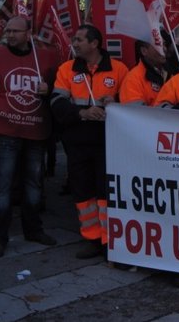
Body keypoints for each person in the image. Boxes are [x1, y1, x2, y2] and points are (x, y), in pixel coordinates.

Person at [0, 16, 60, 258]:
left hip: (34, 128)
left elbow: (61, 90)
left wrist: (50, 90)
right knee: (2, 186)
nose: (10, 35)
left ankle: (33, 229)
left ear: (28, 34)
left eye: (15, 31)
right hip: (4, 130)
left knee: (33, 183)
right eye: (8, 31)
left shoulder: (44, 58)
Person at [51, 24, 129, 259]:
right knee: (83, 191)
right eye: (74, 39)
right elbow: (56, 102)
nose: (74, 43)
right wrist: (82, 113)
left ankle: (110, 239)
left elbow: (130, 103)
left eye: (79, 39)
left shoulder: (119, 69)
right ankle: (92, 237)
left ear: (94, 44)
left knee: (106, 191)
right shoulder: (67, 69)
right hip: (78, 141)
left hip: (108, 141)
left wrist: (113, 104)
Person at [119, 40, 169, 106]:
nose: (164, 49)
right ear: (144, 51)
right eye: (158, 45)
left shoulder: (173, 73)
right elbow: (136, 113)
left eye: (164, 44)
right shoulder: (133, 79)